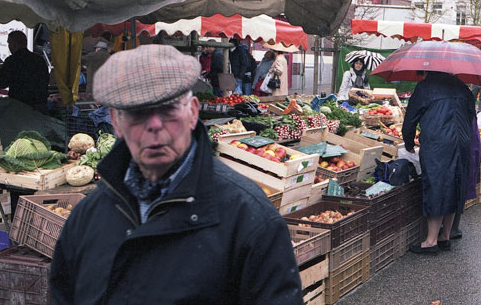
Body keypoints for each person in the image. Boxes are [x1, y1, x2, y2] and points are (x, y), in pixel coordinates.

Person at [49, 45, 303, 304]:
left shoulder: (249, 219)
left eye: (168, 110)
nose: (155, 126)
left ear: (193, 112)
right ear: (116, 121)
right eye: (138, 113)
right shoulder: (87, 218)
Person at [402, 71, 475, 254]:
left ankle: (430, 241)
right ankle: (445, 236)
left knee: (436, 185)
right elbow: (471, 116)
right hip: (462, 143)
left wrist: (409, 143)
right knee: (455, 185)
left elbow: (410, 119)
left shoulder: (425, 88)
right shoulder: (462, 88)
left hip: (438, 144)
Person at [0, 31, 49, 112]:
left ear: (14, 45)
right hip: (38, 107)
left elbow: (1, 83)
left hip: (18, 107)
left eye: (9, 44)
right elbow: (46, 81)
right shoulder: (39, 60)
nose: (9, 47)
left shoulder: (12, 61)